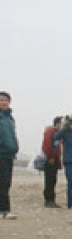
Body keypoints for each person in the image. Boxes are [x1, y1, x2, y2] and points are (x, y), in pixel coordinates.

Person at [0, 92, 17, 220]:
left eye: (6, 100)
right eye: (1, 100)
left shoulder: (10, 119)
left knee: (6, 183)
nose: (3, 102)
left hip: (9, 155)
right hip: (1, 153)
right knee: (3, 182)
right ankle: (4, 210)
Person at [41, 116, 64, 207]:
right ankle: (48, 200)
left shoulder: (57, 133)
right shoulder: (50, 132)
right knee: (49, 180)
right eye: (61, 124)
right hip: (50, 159)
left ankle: (52, 199)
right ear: (57, 124)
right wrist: (50, 157)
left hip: (55, 160)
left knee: (53, 180)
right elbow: (46, 145)